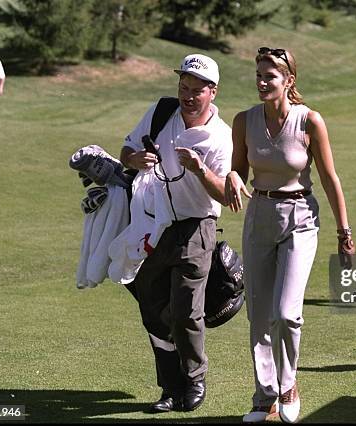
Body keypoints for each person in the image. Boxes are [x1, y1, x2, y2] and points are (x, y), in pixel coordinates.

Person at [225, 47, 355, 423]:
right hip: (259, 216)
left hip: (300, 216)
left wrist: (344, 232)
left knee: (286, 314)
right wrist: (233, 175)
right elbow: (236, 169)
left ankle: (288, 385)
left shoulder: (309, 121)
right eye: (259, 76)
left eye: (271, 76)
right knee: (259, 313)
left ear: (289, 81)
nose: (262, 82)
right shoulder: (243, 121)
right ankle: (265, 396)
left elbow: (330, 179)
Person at [119, 53, 232, 413]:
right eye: (183, 87)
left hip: (196, 226)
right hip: (152, 222)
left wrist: (200, 170)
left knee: (185, 309)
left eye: (196, 90)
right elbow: (126, 149)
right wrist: (133, 160)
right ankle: (170, 387)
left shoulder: (220, 136)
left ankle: (194, 378)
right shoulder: (161, 111)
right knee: (152, 307)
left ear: (212, 92)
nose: (187, 95)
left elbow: (224, 195)